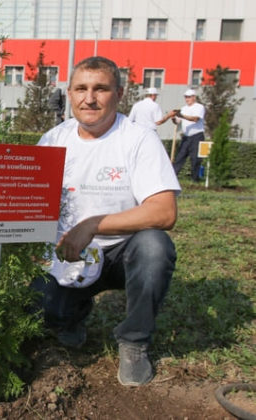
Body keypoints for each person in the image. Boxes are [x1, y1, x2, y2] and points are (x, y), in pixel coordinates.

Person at [33, 56, 181, 387]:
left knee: (155, 247)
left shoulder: (138, 139)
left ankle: (135, 341)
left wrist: (93, 224)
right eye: (81, 89)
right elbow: (34, 205)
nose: (90, 98)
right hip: (66, 251)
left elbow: (164, 211)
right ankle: (71, 316)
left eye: (101, 89)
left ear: (119, 93)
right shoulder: (53, 140)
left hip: (120, 252)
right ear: (69, 94)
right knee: (43, 312)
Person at [171, 89, 206, 182]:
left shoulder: (199, 107)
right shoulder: (183, 108)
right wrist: (174, 118)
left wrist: (182, 116)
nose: (187, 99)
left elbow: (195, 119)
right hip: (186, 137)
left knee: (195, 159)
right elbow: (178, 122)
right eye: (186, 97)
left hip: (197, 136)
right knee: (180, 157)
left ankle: (195, 179)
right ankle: (172, 178)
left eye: (189, 97)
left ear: (194, 97)